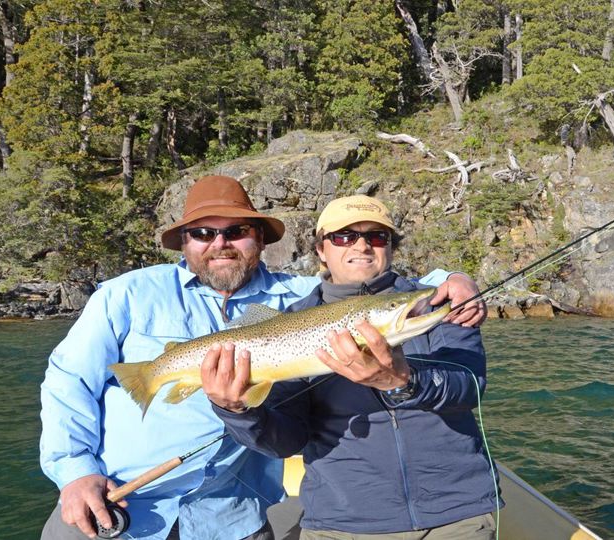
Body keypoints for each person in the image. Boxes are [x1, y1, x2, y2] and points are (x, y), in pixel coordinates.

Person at [39, 176, 486, 540]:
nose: (221, 243)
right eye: (203, 233)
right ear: (184, 243)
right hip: (121, 502)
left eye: (236, 232)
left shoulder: (299, 298)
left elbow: (377, 284)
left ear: (258, 239)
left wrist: (454, 279)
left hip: (232, 515)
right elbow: (67, 381)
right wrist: (76, 473)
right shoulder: (127, 294)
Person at [202, 195, 500, 539]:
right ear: (321, 250)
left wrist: (403, 381)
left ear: (391, 247)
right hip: (341, 522)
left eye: (377, 236)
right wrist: (236, 410)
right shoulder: (290, 321)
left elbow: (470, 387)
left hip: (456, 514)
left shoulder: (439, 304)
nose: (362, 245)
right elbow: (286, 442)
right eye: (343, 237)